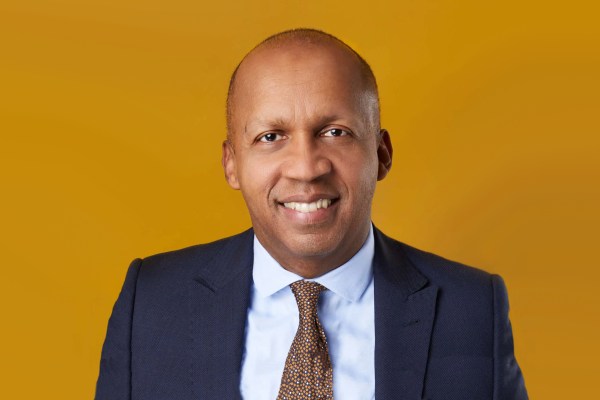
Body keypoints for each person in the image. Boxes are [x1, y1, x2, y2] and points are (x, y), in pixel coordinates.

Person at [95, 29, 528, 400]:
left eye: (335, 132)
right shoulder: (151, 303)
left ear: (381, 154)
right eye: (270, 136)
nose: (306, 168)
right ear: (232, 164)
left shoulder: (472, 309)